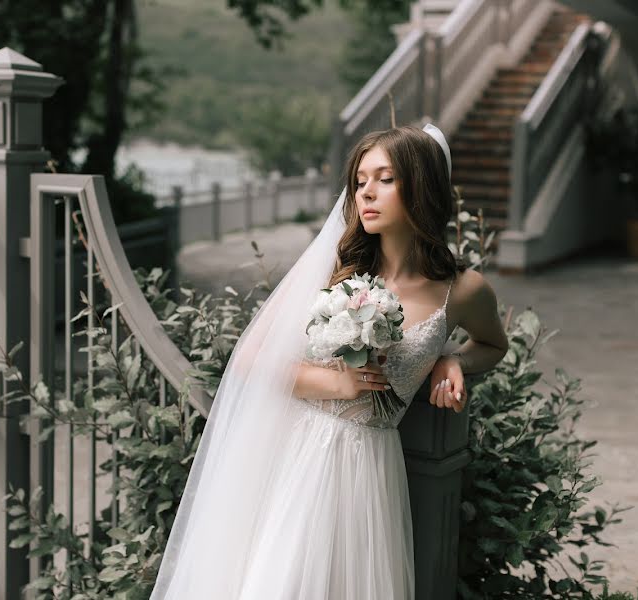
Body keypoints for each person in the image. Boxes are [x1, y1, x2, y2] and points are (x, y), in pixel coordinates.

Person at [149, 124, 509, 599]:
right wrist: (334, 384)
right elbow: (250, 360)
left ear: (421, 187)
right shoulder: (337, 268)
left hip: (370, 467)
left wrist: (452, 359)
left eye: (385, 178)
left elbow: (493, 345)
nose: (367, 193)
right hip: (298, 456)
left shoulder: (463, 290)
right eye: (360, 181)